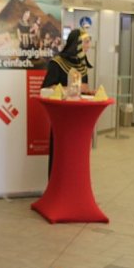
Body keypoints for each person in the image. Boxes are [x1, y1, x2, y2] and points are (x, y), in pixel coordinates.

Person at [41, 28, 93, 174]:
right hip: (61, 118)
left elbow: (83, 89)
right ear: (76, 44)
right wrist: (71, 87)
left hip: (79, 118)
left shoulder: (82, 66)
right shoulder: (56, 63)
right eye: (86, 42)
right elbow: (46, 89)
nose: (88, 45)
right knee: (60, 157)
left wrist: (88, 91)